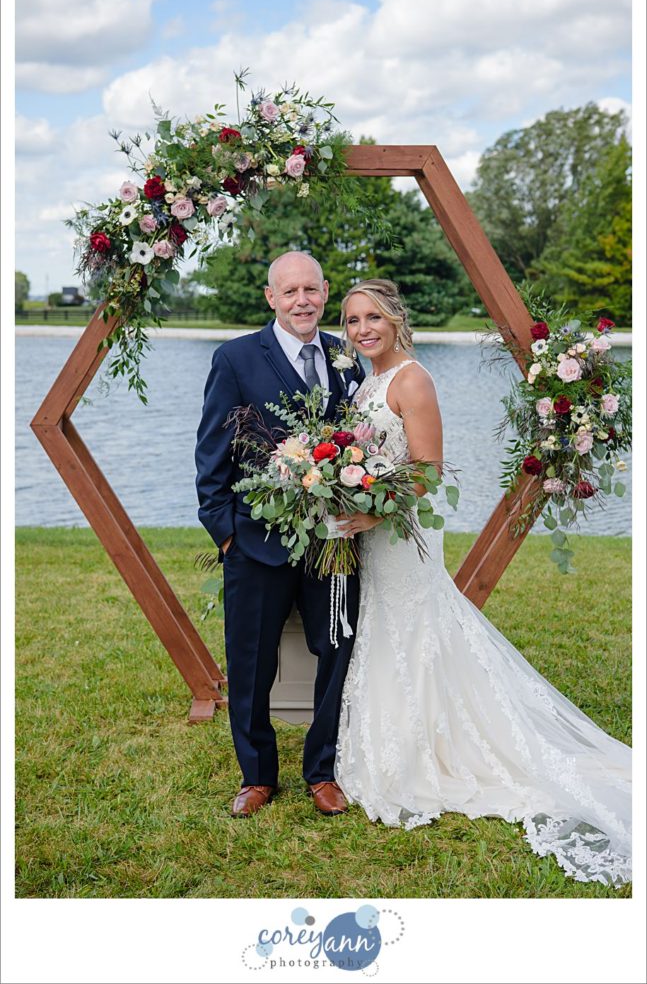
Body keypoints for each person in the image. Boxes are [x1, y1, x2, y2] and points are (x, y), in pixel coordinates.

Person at [333, 279, 632, 888]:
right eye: (353, 320)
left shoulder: (412, 379)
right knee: (388, 631)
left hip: (401, 536)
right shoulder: (365, 382)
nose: (363, 329)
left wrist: (372, 510)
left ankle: (429, 751)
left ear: (396, 321)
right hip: (371, 536)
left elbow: (427, 472)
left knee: (416, 629)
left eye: (373, 318)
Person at [195, 251, 364, 818]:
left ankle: (322, 771)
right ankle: (257, 775)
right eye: (289, 291)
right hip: (256, 546)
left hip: (333, 544)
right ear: (271, 298)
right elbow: (211, 455)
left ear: (324, 292)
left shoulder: (347, 359)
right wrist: (226, 534)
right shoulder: (237, 358)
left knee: (337, 654)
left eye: (311, 290)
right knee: (250, 664)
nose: (302, 301)